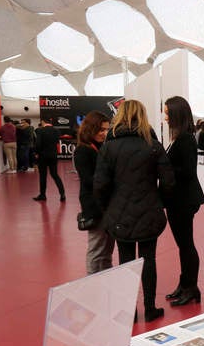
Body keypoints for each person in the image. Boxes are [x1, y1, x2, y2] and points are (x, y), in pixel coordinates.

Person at [94, 100, 175, 322]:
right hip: (150, 210)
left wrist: (108, 208)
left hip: (119, 213)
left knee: (126, 261)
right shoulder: (153, 145)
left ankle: (128, 312)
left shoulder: (108, 147)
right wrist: (159, 202)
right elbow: (168, 181)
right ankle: (150, 308)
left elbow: (100, 185)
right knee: (149, 260)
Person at [163, 96, 204, 306]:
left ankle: (191, 287)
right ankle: (185, 284)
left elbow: (187, 171)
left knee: (187, 245)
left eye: (167, 113)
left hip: (183, 200)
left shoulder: (186, 139)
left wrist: (164, 168)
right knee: (183, 245)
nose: (165, 117)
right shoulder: (179, 138)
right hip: (178, 199)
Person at [74, 111, 115, 274]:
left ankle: (105, 279)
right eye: (101, 130)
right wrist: (111, 179)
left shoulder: (101, 147)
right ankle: (92, 280)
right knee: (97, 248)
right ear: (91, 129)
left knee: (107, 249)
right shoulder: (83, 151)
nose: (104, 133)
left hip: (105, 204)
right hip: (94, 205)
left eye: (106, 130)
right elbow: (88, 180)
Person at [32, 118, 66, 201]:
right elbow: (57, 142)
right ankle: (62, 194)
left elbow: (38, 143)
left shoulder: (40, 130)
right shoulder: (57, 131)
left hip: (43, 156)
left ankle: (42, 195)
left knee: (43, 176)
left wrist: (36, 152)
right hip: (53, 155)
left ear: (43, 122)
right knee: (55, 175)